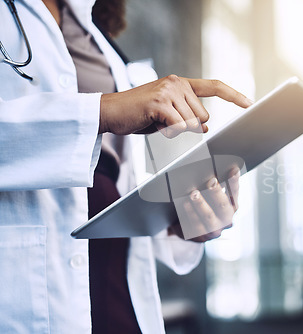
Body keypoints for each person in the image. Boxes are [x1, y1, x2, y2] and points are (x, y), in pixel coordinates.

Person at [0, 0, 251, 333]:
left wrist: (187, 220)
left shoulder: (104, 45)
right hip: (28, 297)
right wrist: (104, 111)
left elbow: (128, 182)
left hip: (118, 292)